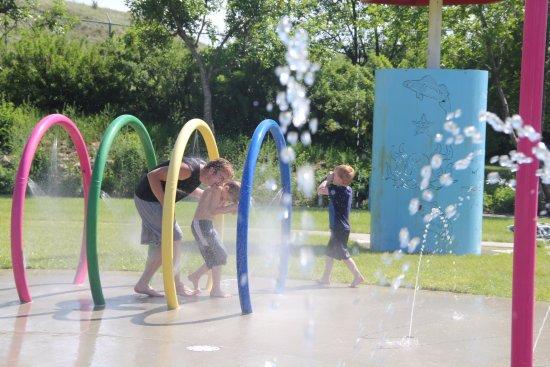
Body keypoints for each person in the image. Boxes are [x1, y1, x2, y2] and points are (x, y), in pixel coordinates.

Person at [133, 157, 234, 297]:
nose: (221, 183)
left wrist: (209, 198)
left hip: (152, 200)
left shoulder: (201, 174)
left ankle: (143, 284)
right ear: (211, 171)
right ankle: (177, 285)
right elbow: (152, 176)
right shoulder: (187, 170)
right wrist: (166, 204)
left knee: (168, 244)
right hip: (148, 200)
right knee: (174, 239)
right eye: (221, 178)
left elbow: (185, 186)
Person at [188, 180, 241, 298]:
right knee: (220, 255)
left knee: (217, 257)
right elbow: (213, 211)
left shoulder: (217, 190)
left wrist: (231, 207)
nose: (226, 200)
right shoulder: (217, 190)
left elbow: (213, 208)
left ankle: (196, 276)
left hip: (205, 226)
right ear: (226, 188)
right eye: (228, 198)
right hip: (201, 226)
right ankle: (213, 288)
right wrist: (230, 207)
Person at [317, 165, 365, 288]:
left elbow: (320, 190)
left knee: (343, 254)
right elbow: (336, 187)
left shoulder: (336, 190)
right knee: (329, 253)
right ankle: (325, 278)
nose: (333, 174)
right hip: (341, 228)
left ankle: (358, 276)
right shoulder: (347, 190)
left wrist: (327, 179)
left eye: (335, 174)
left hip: (339, 228)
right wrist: (334, 178)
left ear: (340, 179)